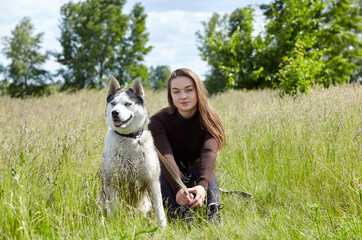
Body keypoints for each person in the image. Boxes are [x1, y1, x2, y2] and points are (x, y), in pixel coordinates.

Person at [148, 68, 226, 225]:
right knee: (159, 171)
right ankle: (179, 213)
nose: (183, 96)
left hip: (196, 173)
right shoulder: (157, 121)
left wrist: (203, 186)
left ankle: (213, 210)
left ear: (198, 91)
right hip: (169, 176)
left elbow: (208, 152)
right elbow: (165, 156)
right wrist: (178, 189)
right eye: (176, 92)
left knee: (200, 166)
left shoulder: (210, 119)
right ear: (170, 95)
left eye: (189, 90)